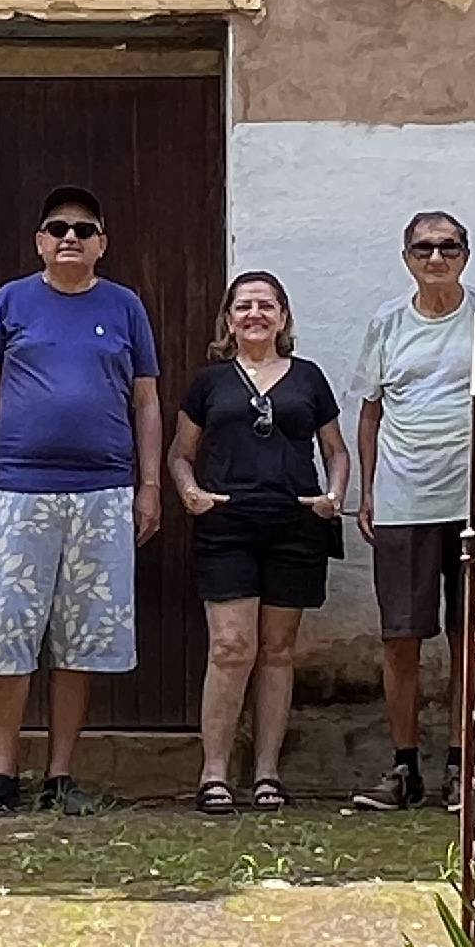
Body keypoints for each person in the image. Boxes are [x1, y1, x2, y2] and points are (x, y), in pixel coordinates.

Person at [0, 186, 165, 818]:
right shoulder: (10, 301)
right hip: (16, 490)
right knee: (6, 632)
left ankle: (61, 775)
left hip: (103, 492)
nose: (69, 238)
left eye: (83, 229)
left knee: (83, 639)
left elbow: (147, 400)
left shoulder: (125, 306)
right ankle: (0, 775)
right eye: (57, 229)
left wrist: (149, 483)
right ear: (40, 242)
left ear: (102, 243)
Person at [347, 209, 475, 811]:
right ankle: (403, 767)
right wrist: (367, 491)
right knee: (401, 637)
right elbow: (370, 411)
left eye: (448, 247)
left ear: (465, 255)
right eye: (423, 248)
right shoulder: (388, 323)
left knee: (467, 635)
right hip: (404, 500)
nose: (436, 259)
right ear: (406, 258)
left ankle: (460, 765)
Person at [170, 269, 352, 813]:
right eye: (244, 306)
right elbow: (181, 452)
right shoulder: (210, 382)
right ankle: (215, 774)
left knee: (277, 651)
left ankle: (269, 773)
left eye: (266, 306)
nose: (255, 314)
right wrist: (190, 493)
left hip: (294, 524)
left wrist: (334, 496)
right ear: (228, 319)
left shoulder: (309, 378)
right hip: (227, 525)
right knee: (230, 648)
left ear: (283, 317)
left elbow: (336, 450)